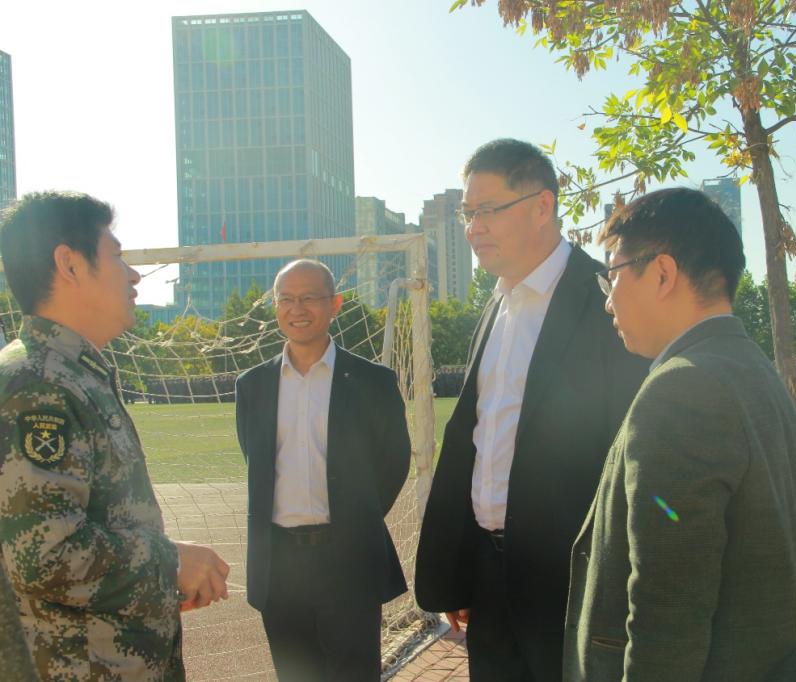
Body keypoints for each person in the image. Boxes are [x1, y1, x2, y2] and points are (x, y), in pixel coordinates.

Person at [563, 187, 796, 681]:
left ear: (662, 273)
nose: (608, 301)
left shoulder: (682, 389)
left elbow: (666, 614)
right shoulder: (751, 367)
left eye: (612, 275)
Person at [415, 139, 647, 681]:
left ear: (543, 206)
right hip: (489, 580)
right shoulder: (496, 304)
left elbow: (633, 455)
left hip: (573, 585)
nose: (474, 227)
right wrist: (463, 569)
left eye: (488, 210)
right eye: (467, 214)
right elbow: (478, 443)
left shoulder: (606, 300)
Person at [0, 191, 229, 681]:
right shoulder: (37, 385)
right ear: (70, 264)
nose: (134, 275)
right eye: (118, 256)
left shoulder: (69, 374)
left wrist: (149, 585)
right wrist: (170, 564)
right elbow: (44, 555)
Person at [234, 259, 410, 681]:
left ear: (335, 304)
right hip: (279, 565)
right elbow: (255, 461)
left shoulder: (373, 381)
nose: (296, 309)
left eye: (309, 297)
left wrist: (355, 517)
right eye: (286, 299)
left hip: (347, 557)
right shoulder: (252, 385)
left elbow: (393, 462)